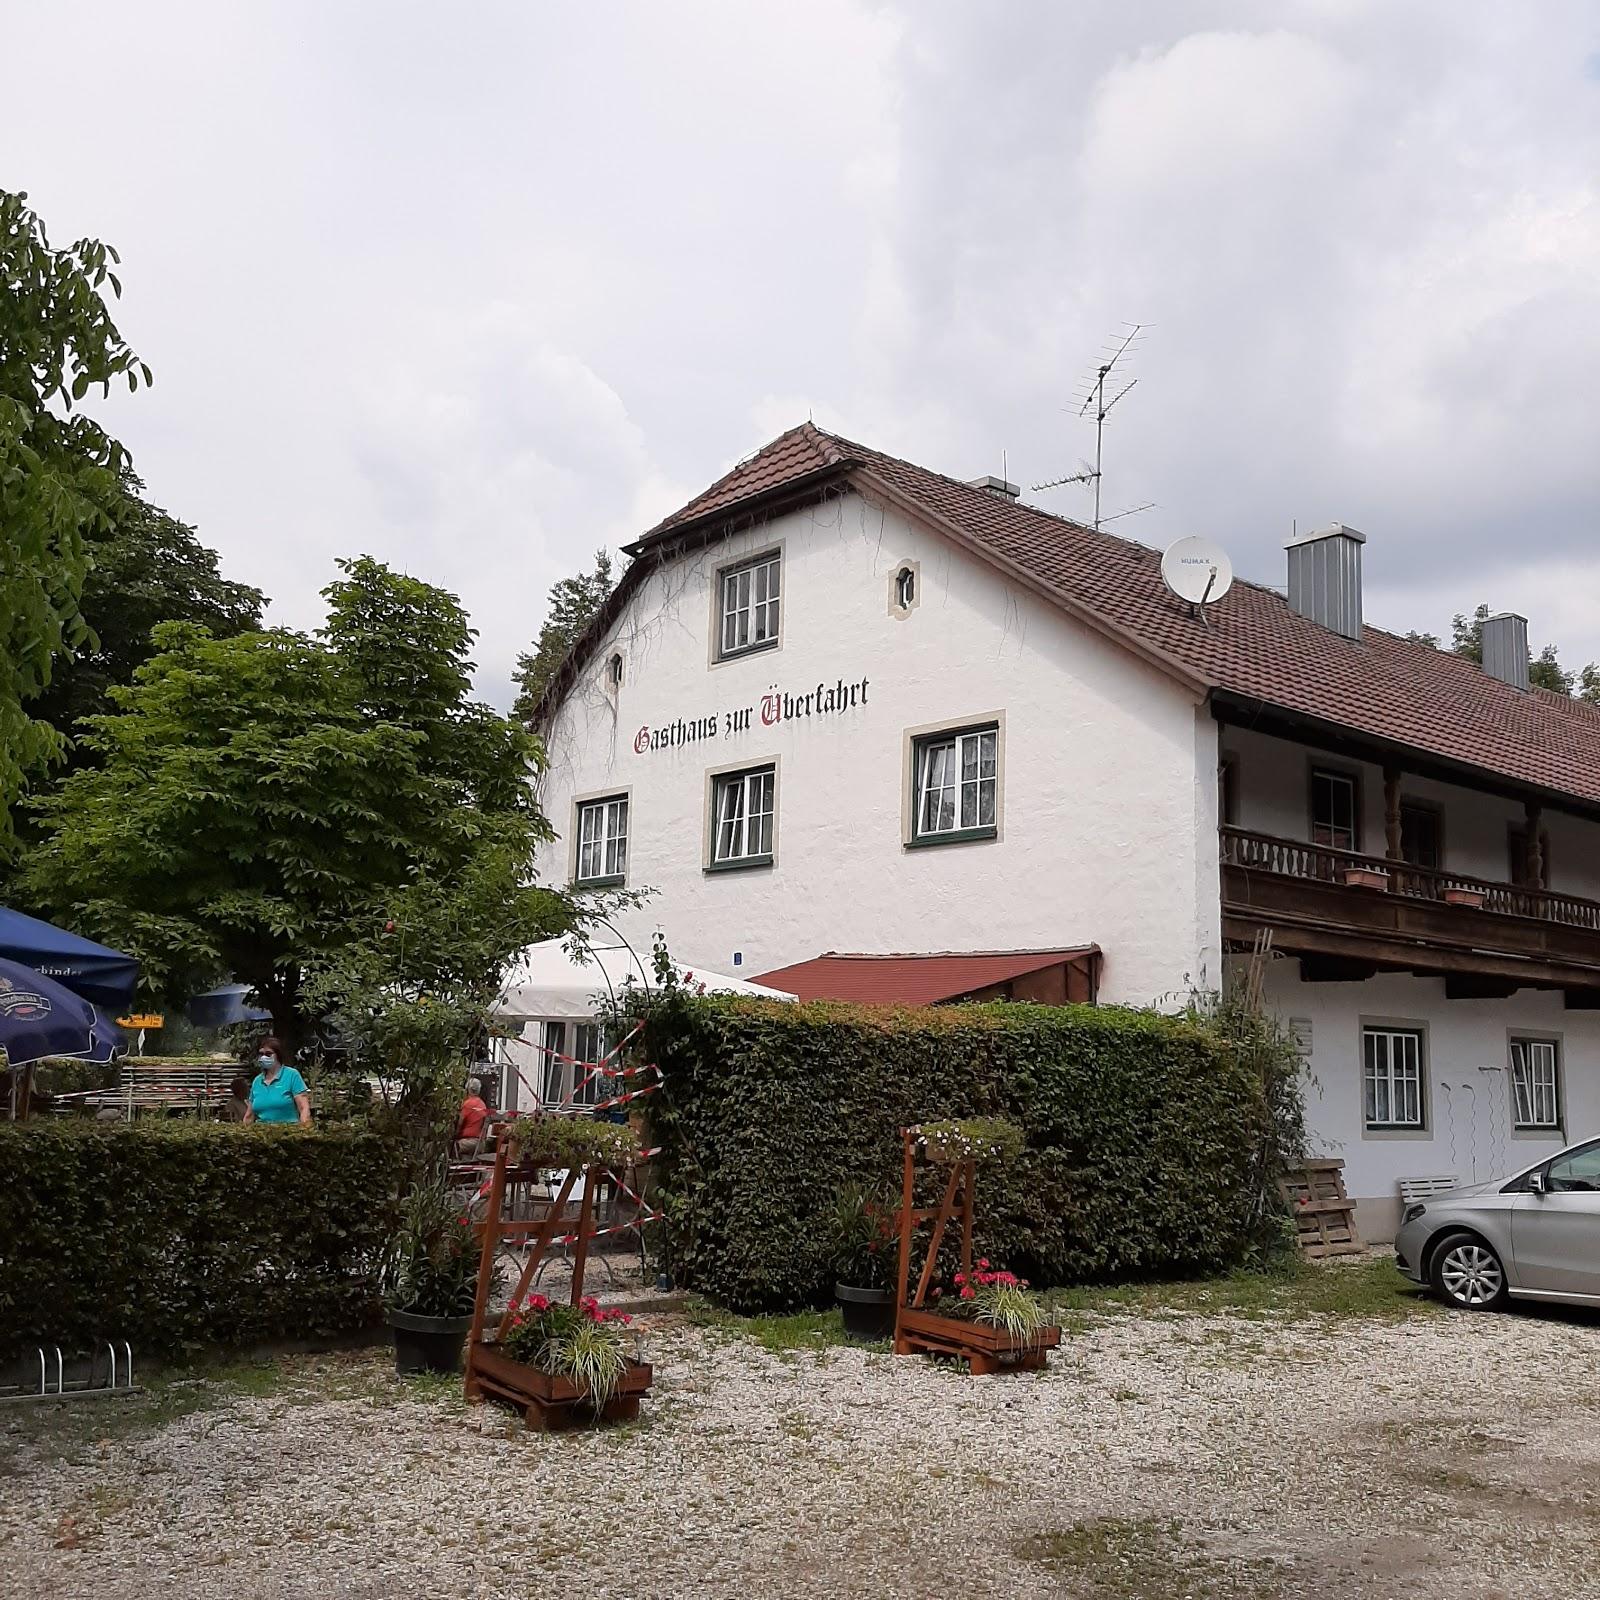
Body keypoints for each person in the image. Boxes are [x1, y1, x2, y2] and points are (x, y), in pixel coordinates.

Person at [243, 1037, 310, 1126]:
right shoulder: (257, 1081)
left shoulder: (292, 1075)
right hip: (261, 1134)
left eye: (268, 1054)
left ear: (278, 1055)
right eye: (261, 1054)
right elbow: (249, 1115)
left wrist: (305, 1133)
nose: (264, 1057)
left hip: (288, 1134)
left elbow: (304, 1109)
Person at [457, 1076, 490, 1145]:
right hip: (479, 1142)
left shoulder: (468, 1104)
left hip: (468, 1141)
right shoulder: (482, 1104)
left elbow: (459, 1124)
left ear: (468, 1089)